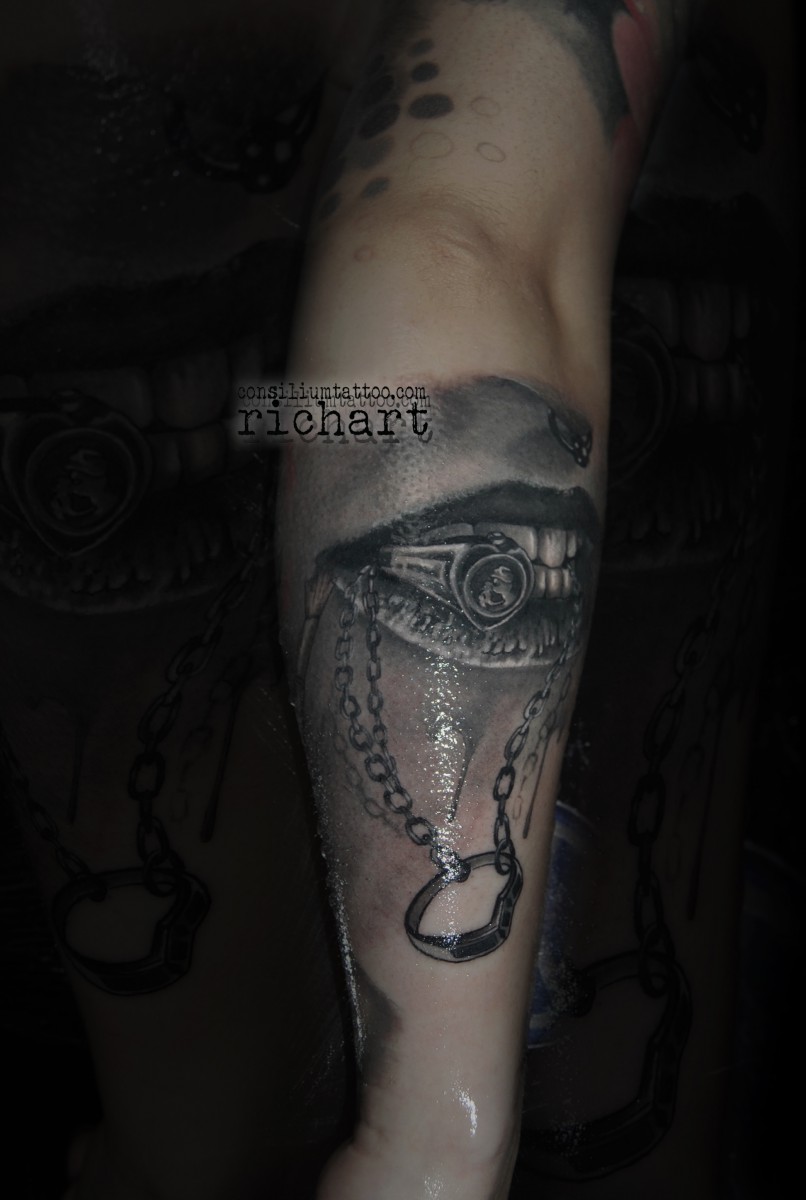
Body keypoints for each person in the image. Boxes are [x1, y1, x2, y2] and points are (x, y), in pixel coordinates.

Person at [0, 1, 795, 1197]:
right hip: (550, 332)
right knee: (626, 1126)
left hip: (139, 311)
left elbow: (434, 311)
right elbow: (453, 251)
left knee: (204, 1145)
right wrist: (435, 1134)